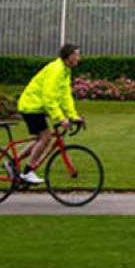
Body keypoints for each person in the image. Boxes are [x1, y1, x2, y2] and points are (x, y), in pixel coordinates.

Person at [15, 43, 84, 184]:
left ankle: (12, 162)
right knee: (45, 138)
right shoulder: (57, 70)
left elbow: (65, 97)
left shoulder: (65, 70)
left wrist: (72, 116)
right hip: (32, 106)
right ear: (70, 56)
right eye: (77, 55)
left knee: (41, 139)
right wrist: (60, 118)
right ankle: (27, 172)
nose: (79, 58)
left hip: (36, 106)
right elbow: (49, 97)